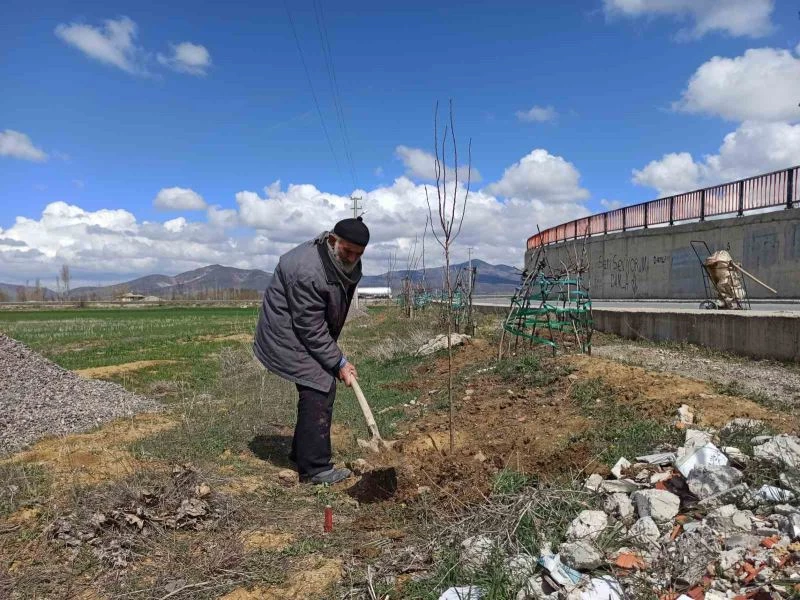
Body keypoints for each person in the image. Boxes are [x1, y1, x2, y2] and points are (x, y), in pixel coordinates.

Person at [253, 217, 369, 484]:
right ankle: (315, 469)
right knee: (319, 384)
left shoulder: (342, 261)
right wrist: (338, 361)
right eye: (347, 251)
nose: (352, 257)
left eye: (358, 253)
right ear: (332, 240)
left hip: (304, 328)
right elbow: (310, 327)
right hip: (284, 331)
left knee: (320, 380)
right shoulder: (306, 270)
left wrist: (336, 359)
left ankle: (302, 452)